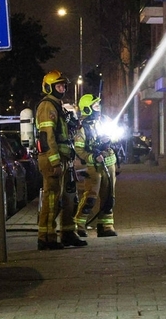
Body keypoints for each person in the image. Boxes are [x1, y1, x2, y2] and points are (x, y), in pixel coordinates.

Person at [35, 70, 88, 250]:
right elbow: (47, 137)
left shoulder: (58, 106)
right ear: (49, 87)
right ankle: (46, 237)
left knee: (68, 198)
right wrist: (55, 162)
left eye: (64, 85)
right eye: (58, 85)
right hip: (53, 161)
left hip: (65, 159)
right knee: (51, 199)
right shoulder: (47, 106)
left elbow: (63, 134)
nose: (62, 88)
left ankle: (67, 232)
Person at [72, 93, 118, 237]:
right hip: (93, 166)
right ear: (87, 109)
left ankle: (106, 226)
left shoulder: (105, 121)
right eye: (95, 105)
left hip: (109, 164)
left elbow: (118, 135)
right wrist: (92, 157)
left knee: (109, 197)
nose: (99, 107)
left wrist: (110, 139)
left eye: (98, 105)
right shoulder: (82, 129)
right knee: (91, 197)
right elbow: (79, 148)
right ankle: (79, 225)